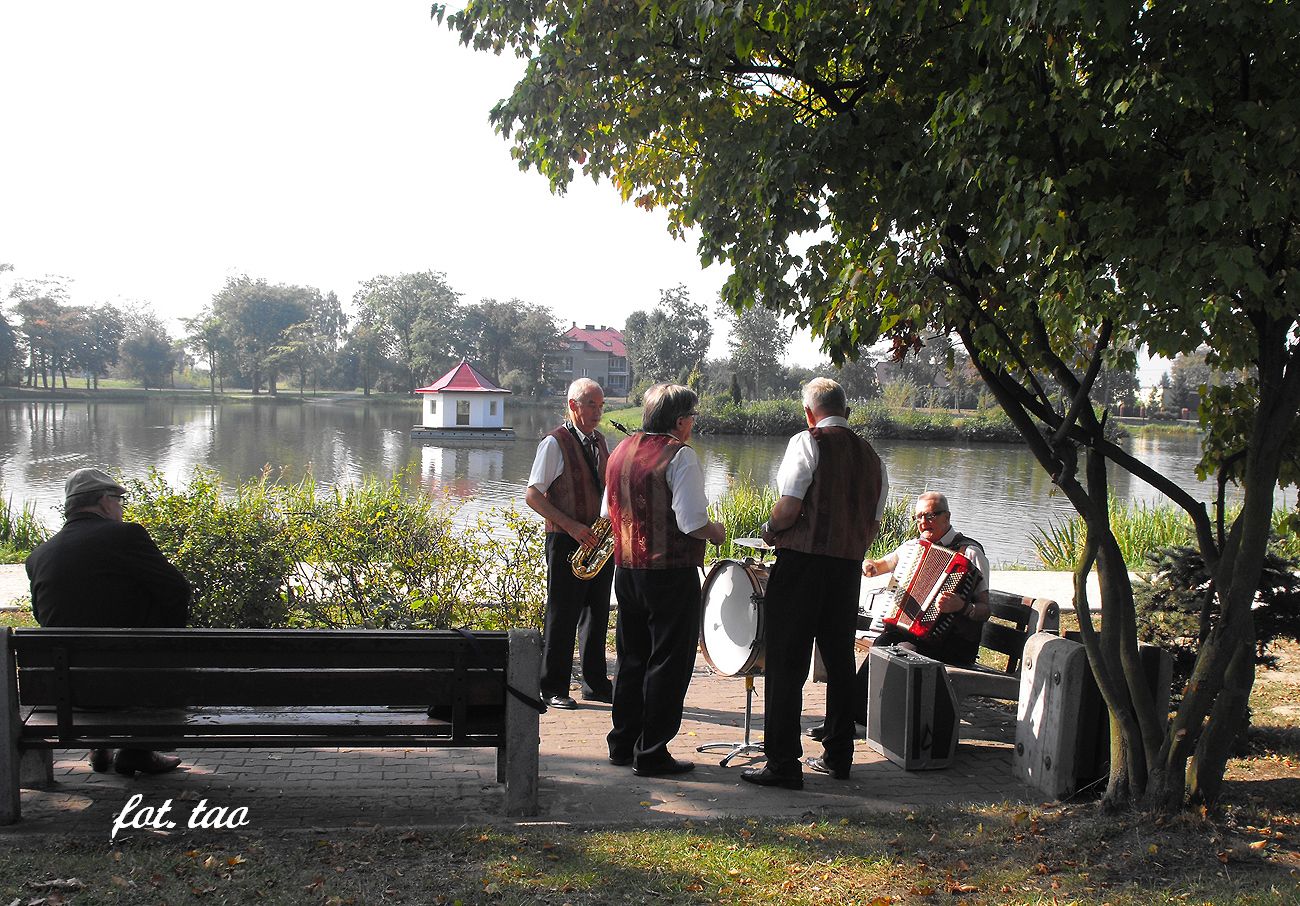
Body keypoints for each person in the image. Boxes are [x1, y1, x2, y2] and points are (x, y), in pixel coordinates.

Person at [742, 378, 886, 790]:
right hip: (845, 570)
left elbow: (789, 507)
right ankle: (839, 757)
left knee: (786, 662)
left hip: (802, 564)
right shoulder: (872, 456)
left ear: (810, 412)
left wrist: (770, 529)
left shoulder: (807, 442)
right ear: (847, 410)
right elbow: (871, 523)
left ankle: (783, 763)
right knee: (839, 661)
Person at [25, 467, 191, 776]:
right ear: (104, 501)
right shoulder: (126, 535)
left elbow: (42, 616)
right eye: (119, 500)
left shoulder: (39, 555)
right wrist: (162, 636)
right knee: (157, 656)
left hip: (65, 693)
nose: (121, 508)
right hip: (127, 684)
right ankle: (137, 752)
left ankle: (100, 745)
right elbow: (177, 590)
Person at [602, 383, 725, 777]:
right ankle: (652, 752)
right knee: (668, 664)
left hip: (627, 572)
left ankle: (622, 743)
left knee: (632, 658)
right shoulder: (680, 456)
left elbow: (608, 514)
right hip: (670, 574)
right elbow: (692, 523)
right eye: (692, 417)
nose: (692, 425)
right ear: (680, 421)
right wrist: (717, 531)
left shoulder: (619, 451)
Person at [525, 378, 615, 709]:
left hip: (598, 540)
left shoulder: (600, 441)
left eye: (601, 405)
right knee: (562, 614)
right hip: (566, 539)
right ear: (573, 405)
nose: (598, 412)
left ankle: (594, 684)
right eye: (592, 405)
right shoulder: (554, 443)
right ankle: (552, 686)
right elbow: (532, 495)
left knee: (597, 612)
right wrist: (572, 526)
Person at [863, 491, 991, 664]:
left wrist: (962, 606)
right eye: (919, 517)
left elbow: (985, 610)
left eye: (930, 515)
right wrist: (870, 566)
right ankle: (860, 692)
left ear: (947, 517)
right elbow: (880, 566)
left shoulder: (970, 553)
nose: (923, 522)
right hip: (911, 635)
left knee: (903, 652)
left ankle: (864, 691)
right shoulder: (912, 548)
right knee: (883, 643)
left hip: (953, 643)